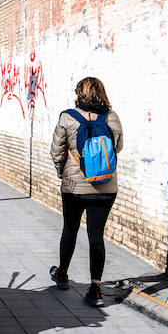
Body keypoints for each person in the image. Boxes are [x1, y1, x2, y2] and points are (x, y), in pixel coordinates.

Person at [48, 76, 123, 307]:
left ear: (79, 93)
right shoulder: (111, 117)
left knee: (70, 229)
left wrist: (64, 173)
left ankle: (62, 274)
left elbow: (56, 152)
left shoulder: (68, 117)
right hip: (105, 187)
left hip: (74, 187)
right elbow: (117, 147)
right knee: (96, 235)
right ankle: (96, 288)